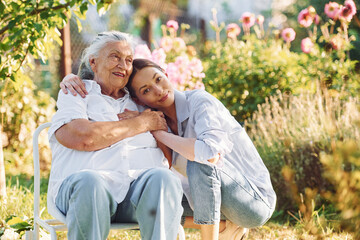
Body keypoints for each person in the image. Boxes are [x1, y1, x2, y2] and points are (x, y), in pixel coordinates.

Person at [61, 59, 277, 240]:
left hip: (252, 201)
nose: (158, 90)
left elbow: (209, 153)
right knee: (157, 194)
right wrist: (73, 79)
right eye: (146, 90)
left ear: (165, 73)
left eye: (158, 79)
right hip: (208, 197)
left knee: (199, 160)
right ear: (138, 99)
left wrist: (158, 133)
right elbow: (101, 87)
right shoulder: (147, 114)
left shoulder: (200, 102)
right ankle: (221, 226)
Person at [48, 32, 183, 240]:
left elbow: (169, 155)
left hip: (135, 196)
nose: (123, 65)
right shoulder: (77, 93)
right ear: (93, 62)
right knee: (89, 181)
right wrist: (140, 123)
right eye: (115, 56)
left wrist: (151, 121)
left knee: (163, 178)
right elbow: (82, 137)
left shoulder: (140, 98)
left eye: (128, 60)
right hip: (85, 193)